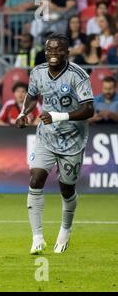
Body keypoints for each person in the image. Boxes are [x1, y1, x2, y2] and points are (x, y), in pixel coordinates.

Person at [16, 34, 94, 255]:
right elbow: (32, 96)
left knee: (66, 188)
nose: (53, 54)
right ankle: (37, 237)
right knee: (36, 177)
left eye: (58, 50)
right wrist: (24, 113)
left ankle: (65, 230)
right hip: (46, 136)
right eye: (49, 50)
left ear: (67, 52)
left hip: (73, 140)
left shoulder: (78, 75)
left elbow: (89, 109)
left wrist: (58, 116)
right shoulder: (38, 72)